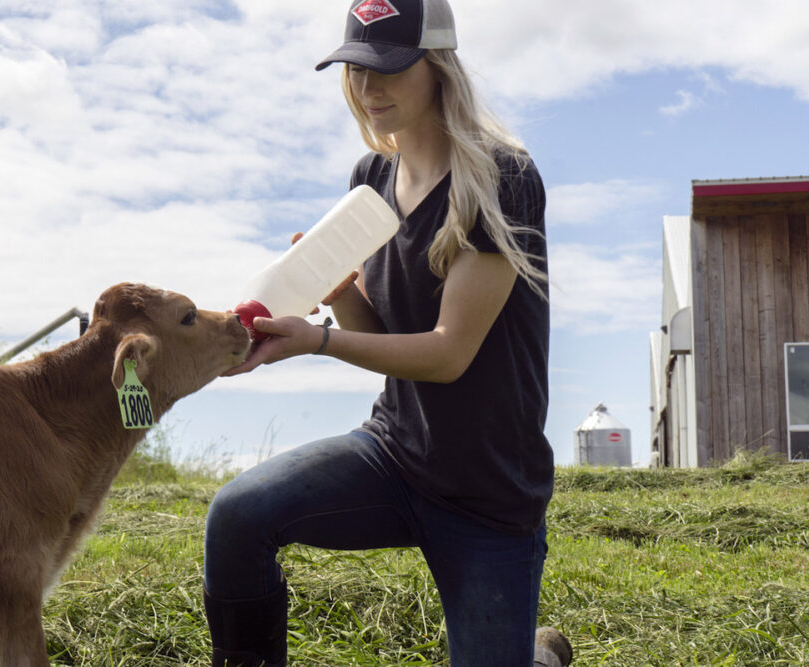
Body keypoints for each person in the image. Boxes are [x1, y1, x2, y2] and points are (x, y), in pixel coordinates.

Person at [203, 1, 571, 665]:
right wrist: (339, 294)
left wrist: (316, 340)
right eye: (354, 70)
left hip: (487, 493)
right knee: (235, 515)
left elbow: (446, 352)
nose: (368, 89)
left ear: (437, 67)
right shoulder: (370, 179)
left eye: (388, 69)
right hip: (393, 454)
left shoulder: (500, 179)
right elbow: (382, 341)